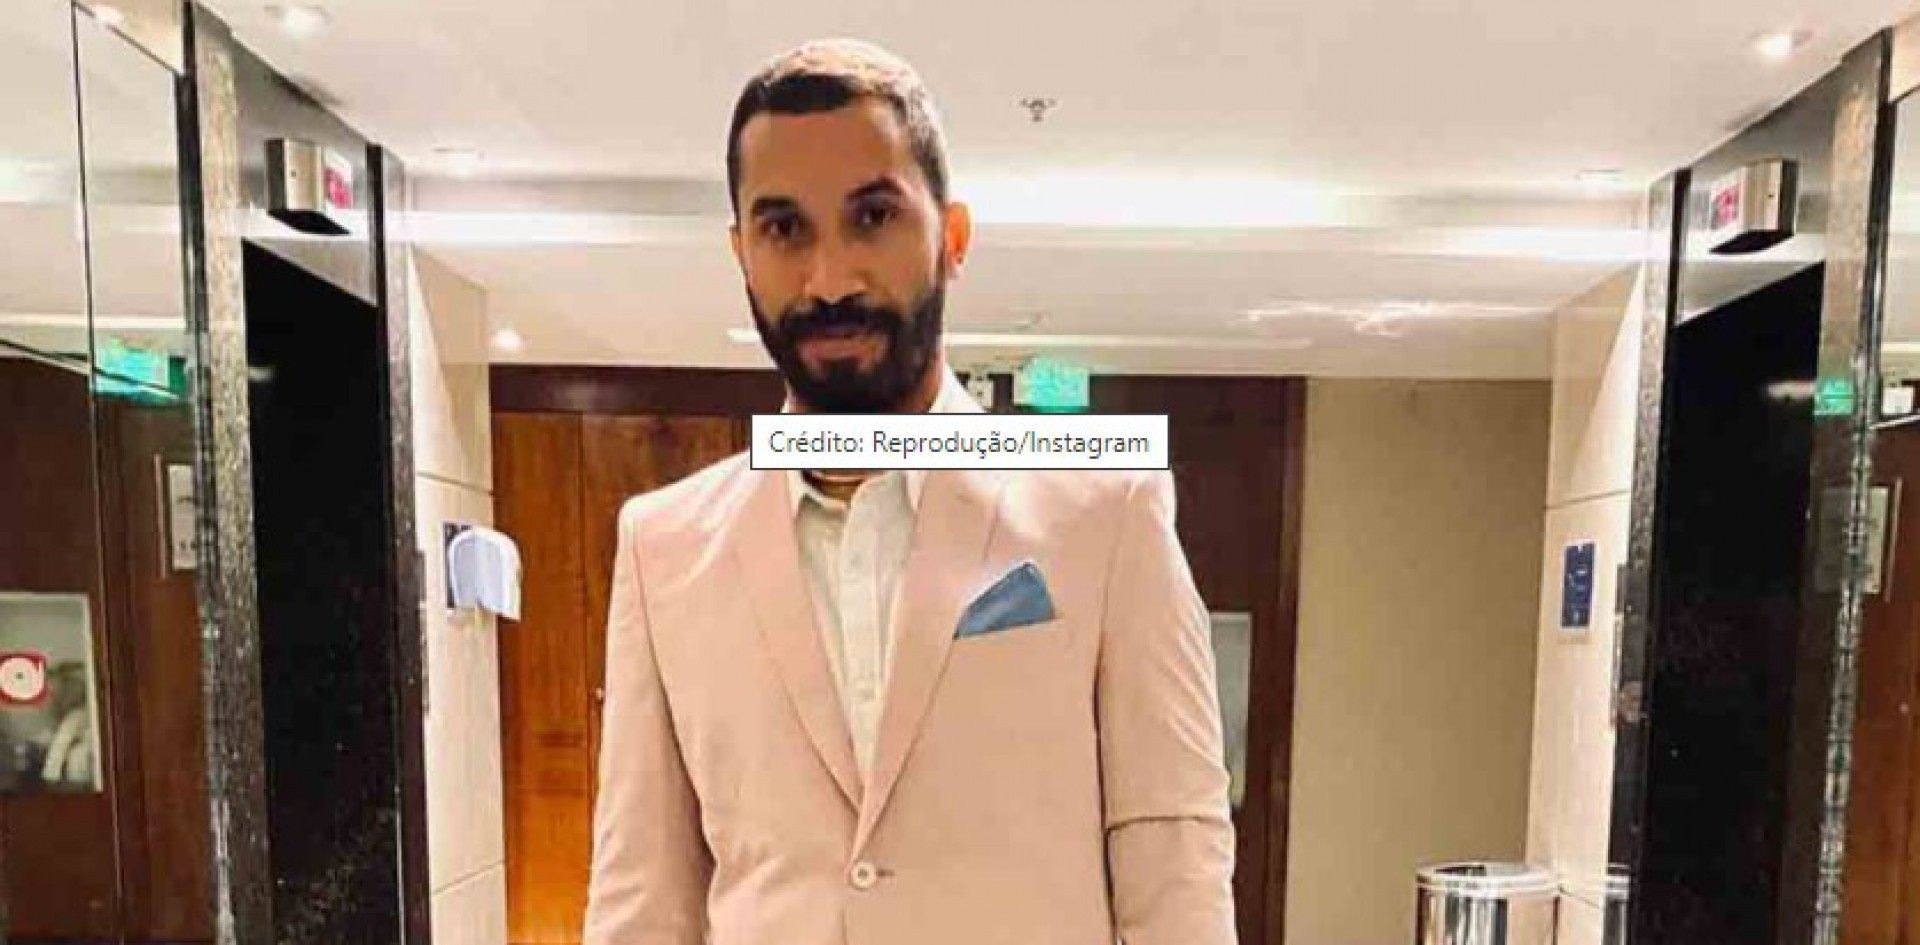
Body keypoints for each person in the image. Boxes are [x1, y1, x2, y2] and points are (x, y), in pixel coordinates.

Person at [584, 38, 1237, 945]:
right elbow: (642, 899)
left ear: (951, 238)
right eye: (784, 229)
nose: (829, 279)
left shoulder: (1107, 510)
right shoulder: (663, 545)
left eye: (873, 217)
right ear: (741, 253)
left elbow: (1176, 867)